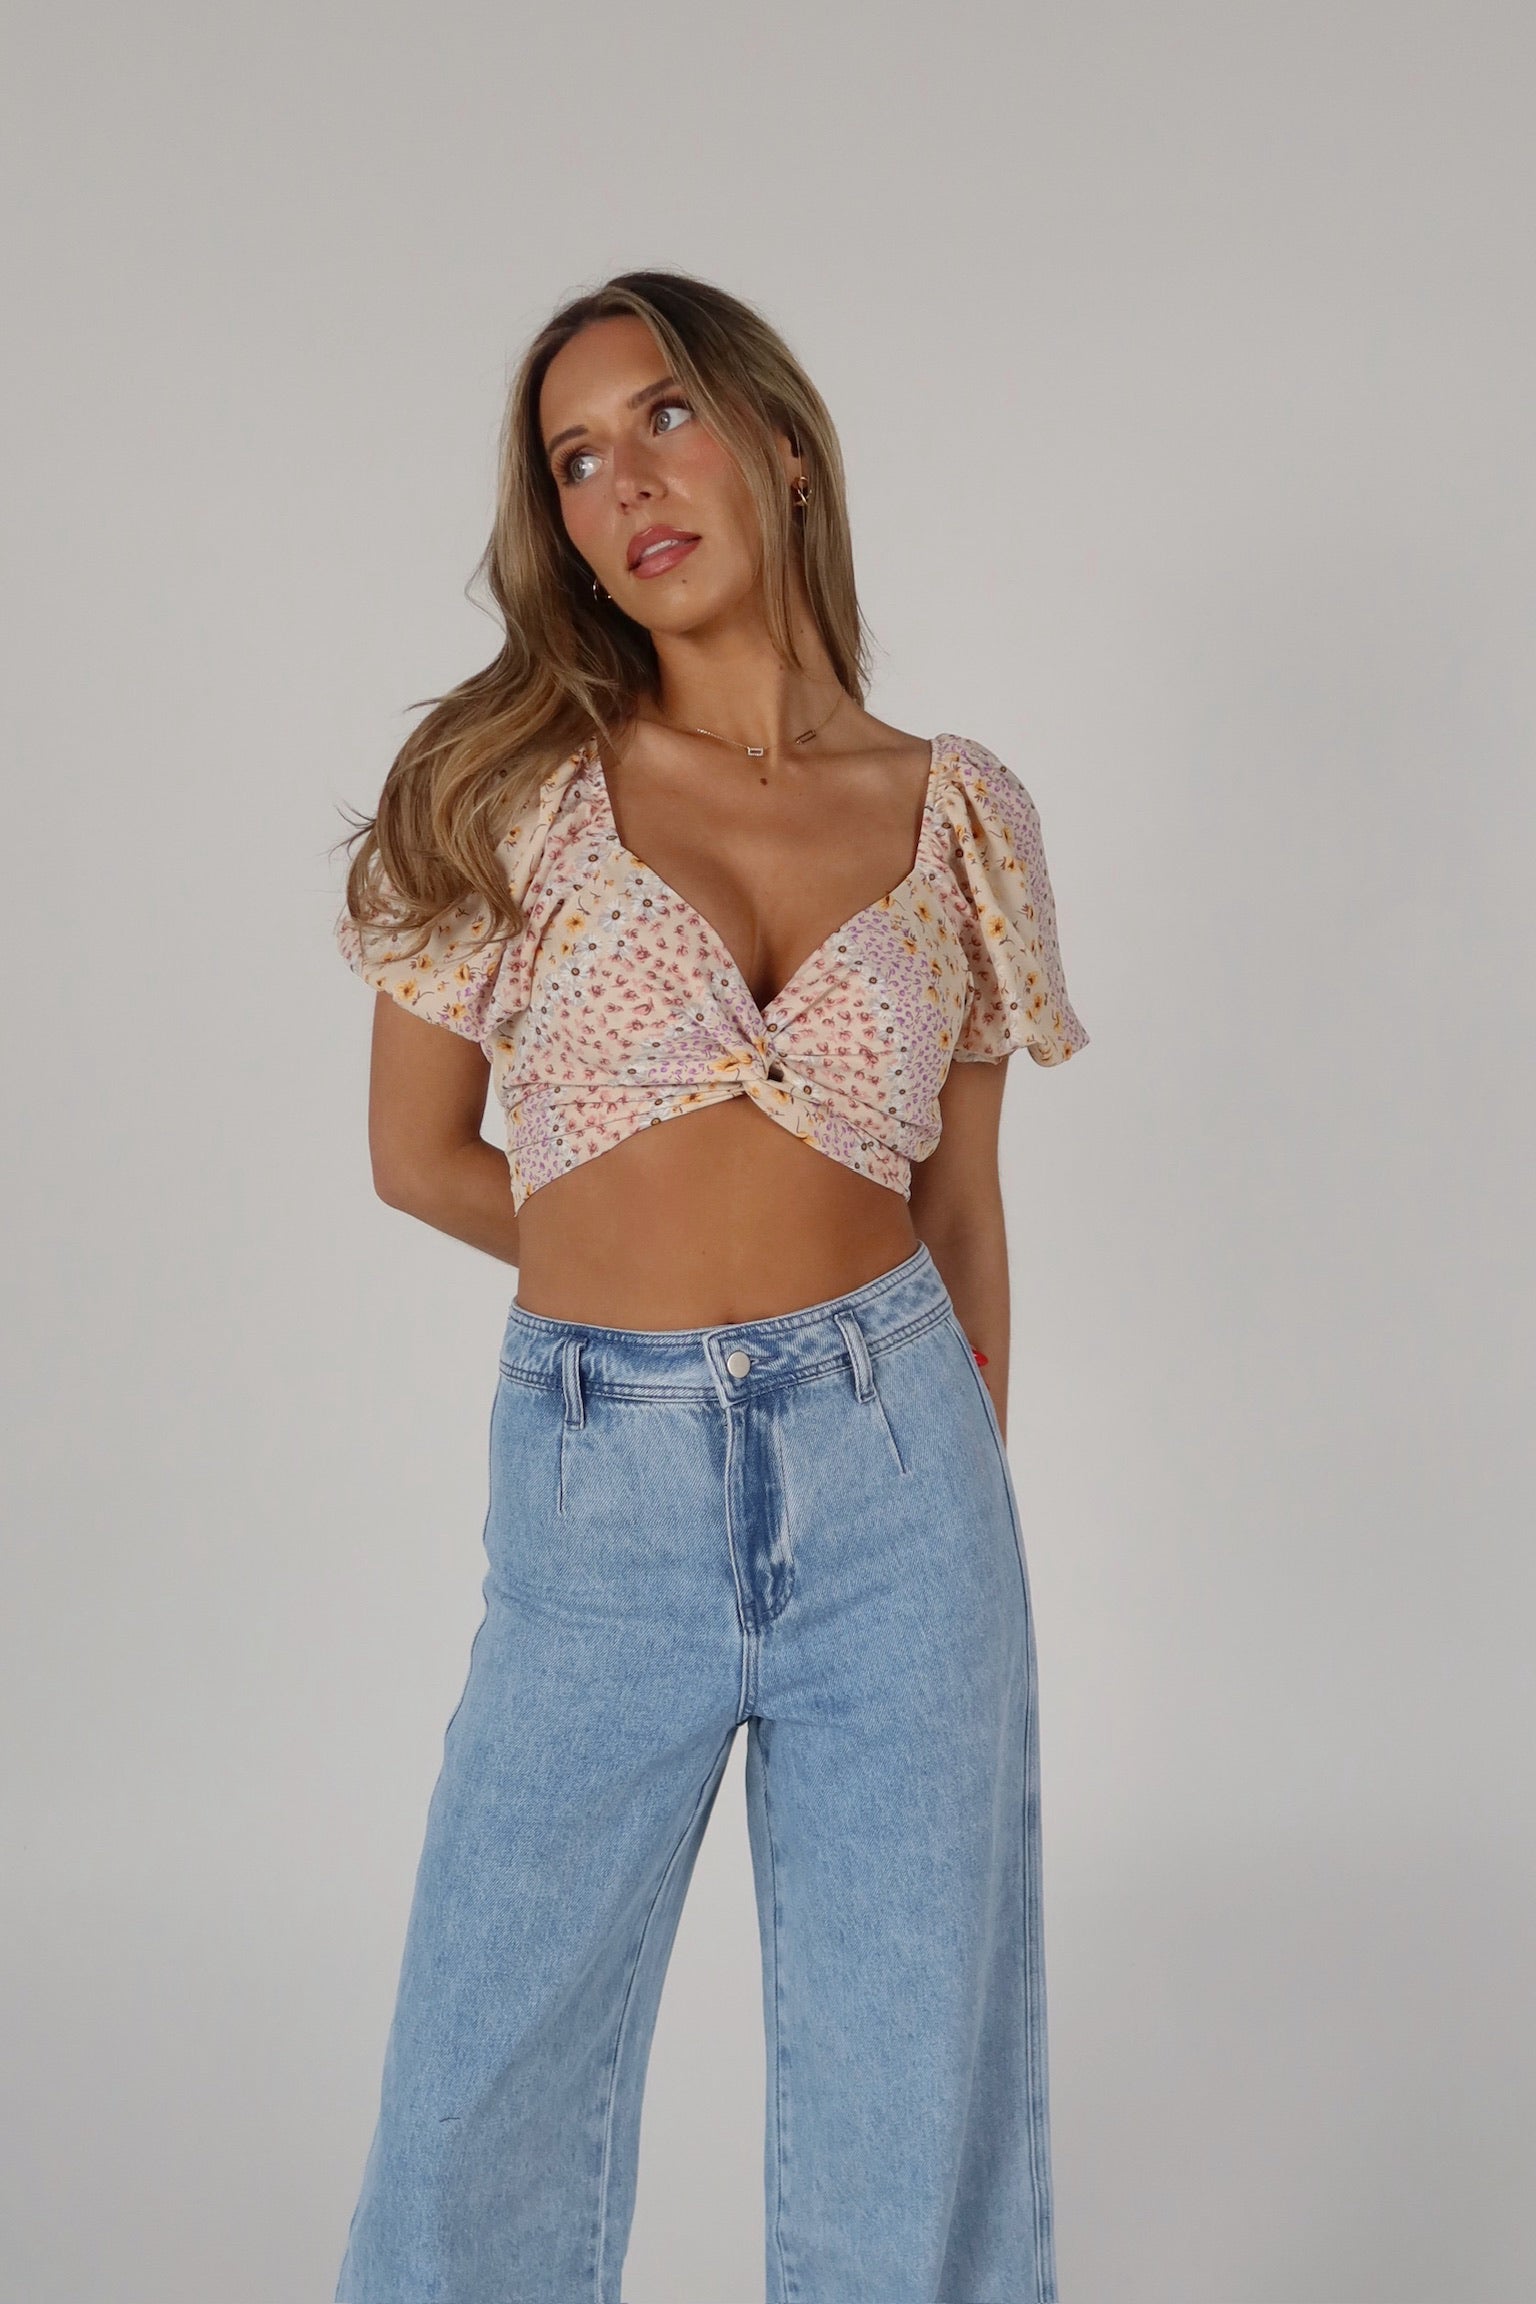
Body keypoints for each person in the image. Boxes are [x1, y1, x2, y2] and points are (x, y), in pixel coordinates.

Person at [331, 268, 1089, 2304]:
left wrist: (946, 1451)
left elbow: (962, 1205)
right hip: (605, 1475)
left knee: (912, 2081)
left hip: (904, 1484)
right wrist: (651, 1289)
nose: (626, 486)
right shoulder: (504, 786)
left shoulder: (962, 814)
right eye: (576, 462)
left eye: (663, 417)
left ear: (784, 445)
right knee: (482, 2078)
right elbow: (417, 1155)